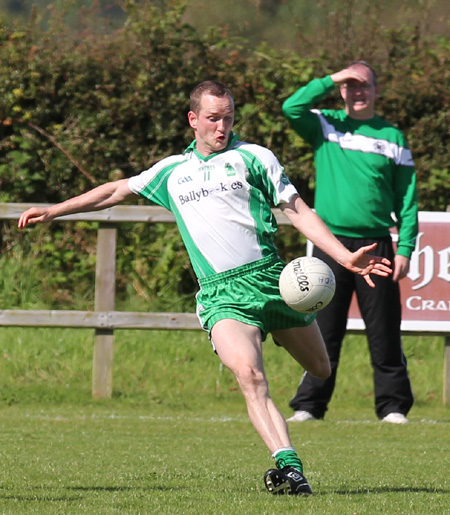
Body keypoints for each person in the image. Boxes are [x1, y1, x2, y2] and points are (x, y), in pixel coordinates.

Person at [19, 80, 392, 495]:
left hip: (273, 283)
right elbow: (115, 190)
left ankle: (282, 335)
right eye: (213, 119)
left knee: (321, 369)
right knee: (250, 375)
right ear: (193, 119)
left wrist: (343, 258)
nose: (222, 127)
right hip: (222, 294)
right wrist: (55, 210)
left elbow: (298, 210)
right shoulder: (171, 172)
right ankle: (289, 468)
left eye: (228, 118)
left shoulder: (254, 157)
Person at [282, 61, 418, 425]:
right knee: (322, 331)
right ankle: (309, 405)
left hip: (377, 246)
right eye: (350, 86)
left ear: (376, 90)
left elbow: (407, 198)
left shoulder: (393, 137)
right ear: (342, 90)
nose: (357, 92)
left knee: (385, 330)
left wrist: (405, 248)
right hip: (329, 245)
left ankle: (392, 407)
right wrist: (334, 76)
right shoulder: (325, 124)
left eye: (364, 86)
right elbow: (290, 107)